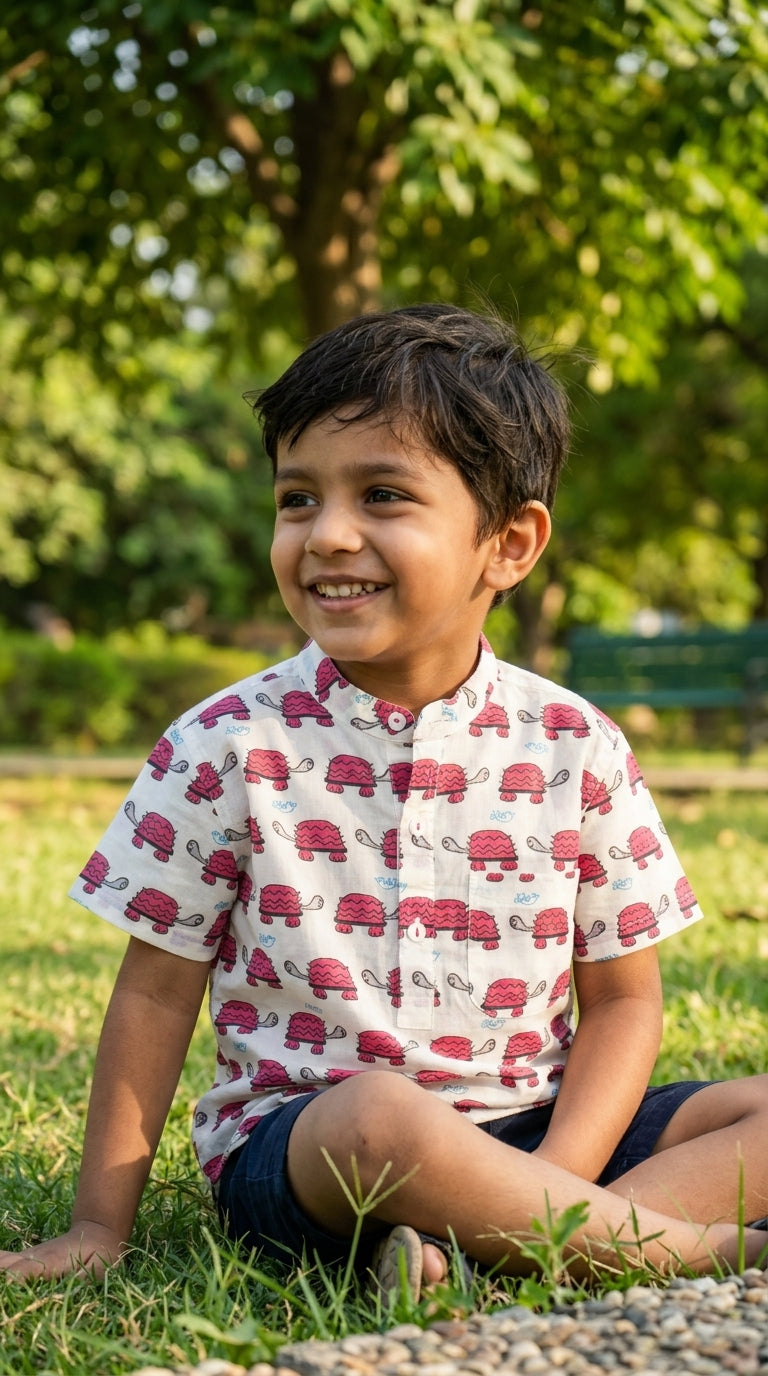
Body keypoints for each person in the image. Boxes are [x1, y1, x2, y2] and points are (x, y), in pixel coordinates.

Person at [3, 304, 767, 1294]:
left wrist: (547, 1177)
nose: (327, 534)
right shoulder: (226, 745)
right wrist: (98, 1227)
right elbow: (153, 992)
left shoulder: (576, 746)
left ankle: (490, 1237)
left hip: (535, 1125)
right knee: (382, 1115)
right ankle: (680, 1249)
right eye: (296, 498)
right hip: (315, 1150)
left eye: (382, 493)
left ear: (510, 543)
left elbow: (623, 1001)